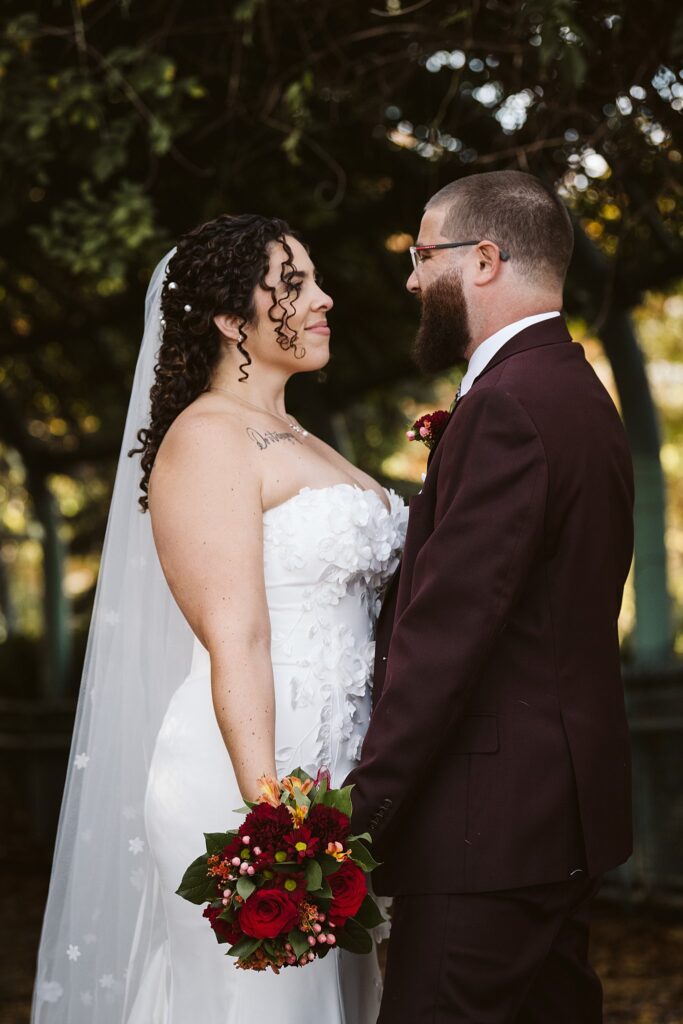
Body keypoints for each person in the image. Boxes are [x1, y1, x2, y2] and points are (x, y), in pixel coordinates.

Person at [31, 213, 407, 1023]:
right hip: (250, 781)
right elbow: (235, 634)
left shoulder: (299, 435)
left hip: (336, 781)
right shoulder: (207, 438)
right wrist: (271, 820)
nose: (324, 298)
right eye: (294, 283)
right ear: (234, 321)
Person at [347, 170, 635, 1024]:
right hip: (554, 818)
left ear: (482, 260)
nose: (408, 279)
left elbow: (446, 638)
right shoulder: (575, 392)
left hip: (487, 830)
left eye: (419, 254)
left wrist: (359, 818)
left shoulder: (507, 405)